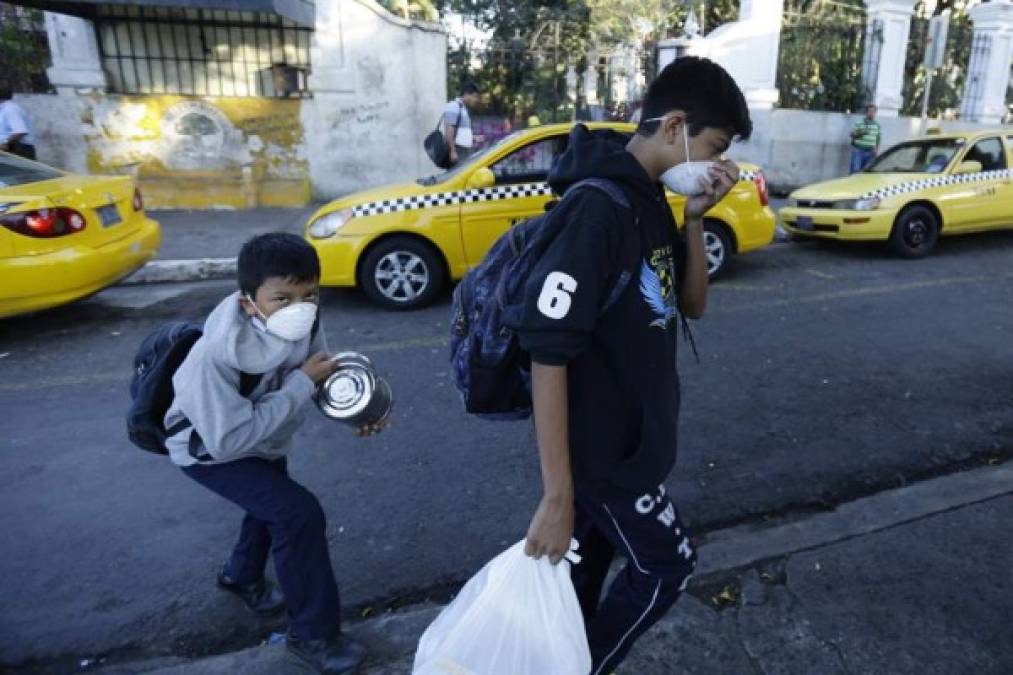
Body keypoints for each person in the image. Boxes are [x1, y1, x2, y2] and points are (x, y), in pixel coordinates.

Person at [515, 56, 750, 675]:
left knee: (581, 578)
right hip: (604, 455)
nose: (720, 162)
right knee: (666, 567)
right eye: (716, 146)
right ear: (674, 125)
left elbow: (692, 305)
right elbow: (548, 352)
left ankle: (557, 660)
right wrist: (558, 496)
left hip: (631, 442)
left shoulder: (649, 199)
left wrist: (696, 218)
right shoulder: (597, 209)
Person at [163, 233, 386, 675]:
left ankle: (242, 576)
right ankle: (313, 636)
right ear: (249, 303)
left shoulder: (304, 322)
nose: (299, 309)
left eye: (309, 295)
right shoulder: (214, 357)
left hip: (265, 439)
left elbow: (322, 375)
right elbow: (229, 440)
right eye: (282, 298)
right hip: (211, 449)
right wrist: (300, 383)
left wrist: (363, 411)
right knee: (295, 513)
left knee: (268, 506)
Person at [443, 82, 480, 166]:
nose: (476, 100)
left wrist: (473, 138)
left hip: (464, 152)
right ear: (466, 94)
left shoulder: (463, 109)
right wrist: (452, 151)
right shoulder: (454, 106)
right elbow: (449, 129)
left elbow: (460, 132)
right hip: (457, 151)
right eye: (475, 97)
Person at [0, 87, 36, 160]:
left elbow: (20, 131)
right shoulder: (4, 109)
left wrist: (5, 143)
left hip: (17, 149)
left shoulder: (10, 109)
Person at [849, 104, 880, 174]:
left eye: (873, 112)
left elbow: (878, 138)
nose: (871, 113)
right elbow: (852, 134)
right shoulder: (859, 122)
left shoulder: (877, 125)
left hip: (870, 152)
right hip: (859, 150)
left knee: (866, 173)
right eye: (870, 111)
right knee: (855, 171)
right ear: (866, 112)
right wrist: (862, 132)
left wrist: (876, 150)